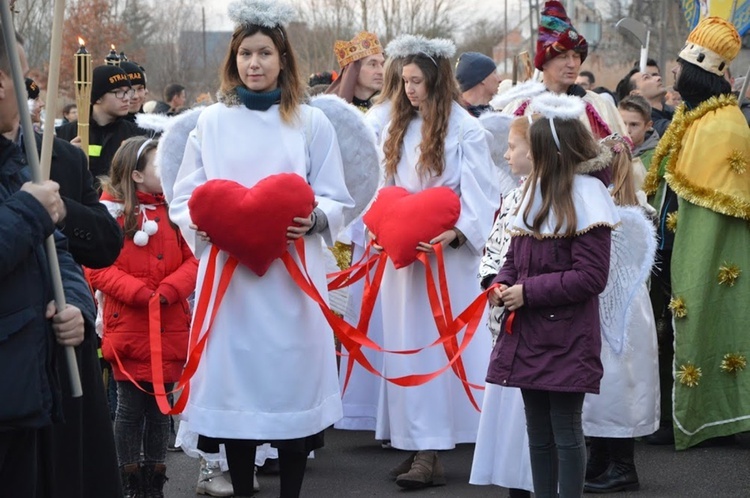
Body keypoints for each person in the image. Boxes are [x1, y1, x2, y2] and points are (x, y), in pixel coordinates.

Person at [168, 1, 353, 496]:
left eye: (265, 53)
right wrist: (202, 225)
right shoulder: (210, 122)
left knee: (289, 385)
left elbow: (336, 195)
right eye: (246, 53)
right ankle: (245, 489)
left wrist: (314, 218)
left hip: (291, 282)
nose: (255, 63)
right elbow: (185, 195)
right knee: (237, 389)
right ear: (234, 60)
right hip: (232, 284)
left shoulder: (311, 123)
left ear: (283, 59)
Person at [371, 35, 496, 490]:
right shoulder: (396, 129)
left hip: (447, 262)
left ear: (438, 81)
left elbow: (483, 194)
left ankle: (431, 448)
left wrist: (458, 231)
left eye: (417, 81)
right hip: (404, 262)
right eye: (404, 82)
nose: (409, 91)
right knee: (406, 344)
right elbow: (382, 186)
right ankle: (414, 439)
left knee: (438, 346)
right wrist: (384, 226)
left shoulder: (467, 131)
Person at [486, 92, 619, 498]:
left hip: (567, 338)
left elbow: (591, 276)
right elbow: (514, 255)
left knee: (565, 431)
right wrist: (502, 284)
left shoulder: (587, 198)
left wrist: (528, 292)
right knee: (537, 432)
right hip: (528, 334)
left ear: (553, 153)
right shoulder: (533, 192)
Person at [642, 17, 750, 450]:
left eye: (679, 71)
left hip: (706, 255)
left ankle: (712, 417)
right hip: (670, 246)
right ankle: (672, 416)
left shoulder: (726, 125)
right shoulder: (690, 116)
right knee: (667, 334)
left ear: (697, 74)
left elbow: (714, 208)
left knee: (705, 326)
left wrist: (692, 257)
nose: (673, 77)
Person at [0, 22, 87, 495]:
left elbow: (58, 254)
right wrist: (28, 210)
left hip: (26, 390)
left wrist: (76, 305)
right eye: (25, 75)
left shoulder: (19, 159)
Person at [88, 137, 197, 497]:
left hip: (169, 324)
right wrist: (137, 293)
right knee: (130, 407)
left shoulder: (175, 214)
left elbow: (195, 260)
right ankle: (128, 478)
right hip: (129, 326)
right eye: (159, 165)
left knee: (160, 409)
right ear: (136, 175)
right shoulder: (111, 217)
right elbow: (97, 266)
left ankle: (154, 480)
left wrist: (170, 289)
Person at [582, 134, 659, 493]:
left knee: (615, 382)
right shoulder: (637, 206)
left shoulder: (613, 212)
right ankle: (599, 457)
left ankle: (622, 466)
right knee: (610, 383)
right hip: (626, 306)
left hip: (616, 305)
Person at [470, 115, 536, 498]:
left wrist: (525, 290)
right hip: (506, 321)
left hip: (536, 321)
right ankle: (514, 480)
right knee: (507, 409)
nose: (507, 155)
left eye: (513, 147)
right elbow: (495, 248)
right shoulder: (512, 196)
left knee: (531, 415)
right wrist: (492, 282)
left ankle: (536, 480)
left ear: (536, 149)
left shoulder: (560, 198)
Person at [500, 1, 627, 140]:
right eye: (563, 57)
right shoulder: (520, 108)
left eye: (576, 56)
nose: (572, 64)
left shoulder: (599, 106)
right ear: (544, 63)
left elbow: (621, 157)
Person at [57, 64, 149, 185]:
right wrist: (67, 157)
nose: (127, 98)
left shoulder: (136, 134)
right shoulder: (65, 133)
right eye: (118, 92)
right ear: (98, 98)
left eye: (128, 92)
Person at [326, 31, 384, 111]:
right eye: (373, 64)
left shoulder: (391, 105)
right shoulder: (329, 106)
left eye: (382, 64)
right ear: (353, 70)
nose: (381, 71)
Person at [615, 66, 672, 136]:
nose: (658, 78)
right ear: (635, 93)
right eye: (646, 78)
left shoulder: (672, 112)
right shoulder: (646, 125)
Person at [618, 95, 658, 170]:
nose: (627, 130)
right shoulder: (606, 153)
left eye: (634, 124)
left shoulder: (657, 158)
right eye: (622, 123)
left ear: (648, 126)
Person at [456, 51, 500, 117]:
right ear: (482, 78)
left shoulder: (490, 114)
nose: (499, 79)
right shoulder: (460, 117)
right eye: (494, 73)